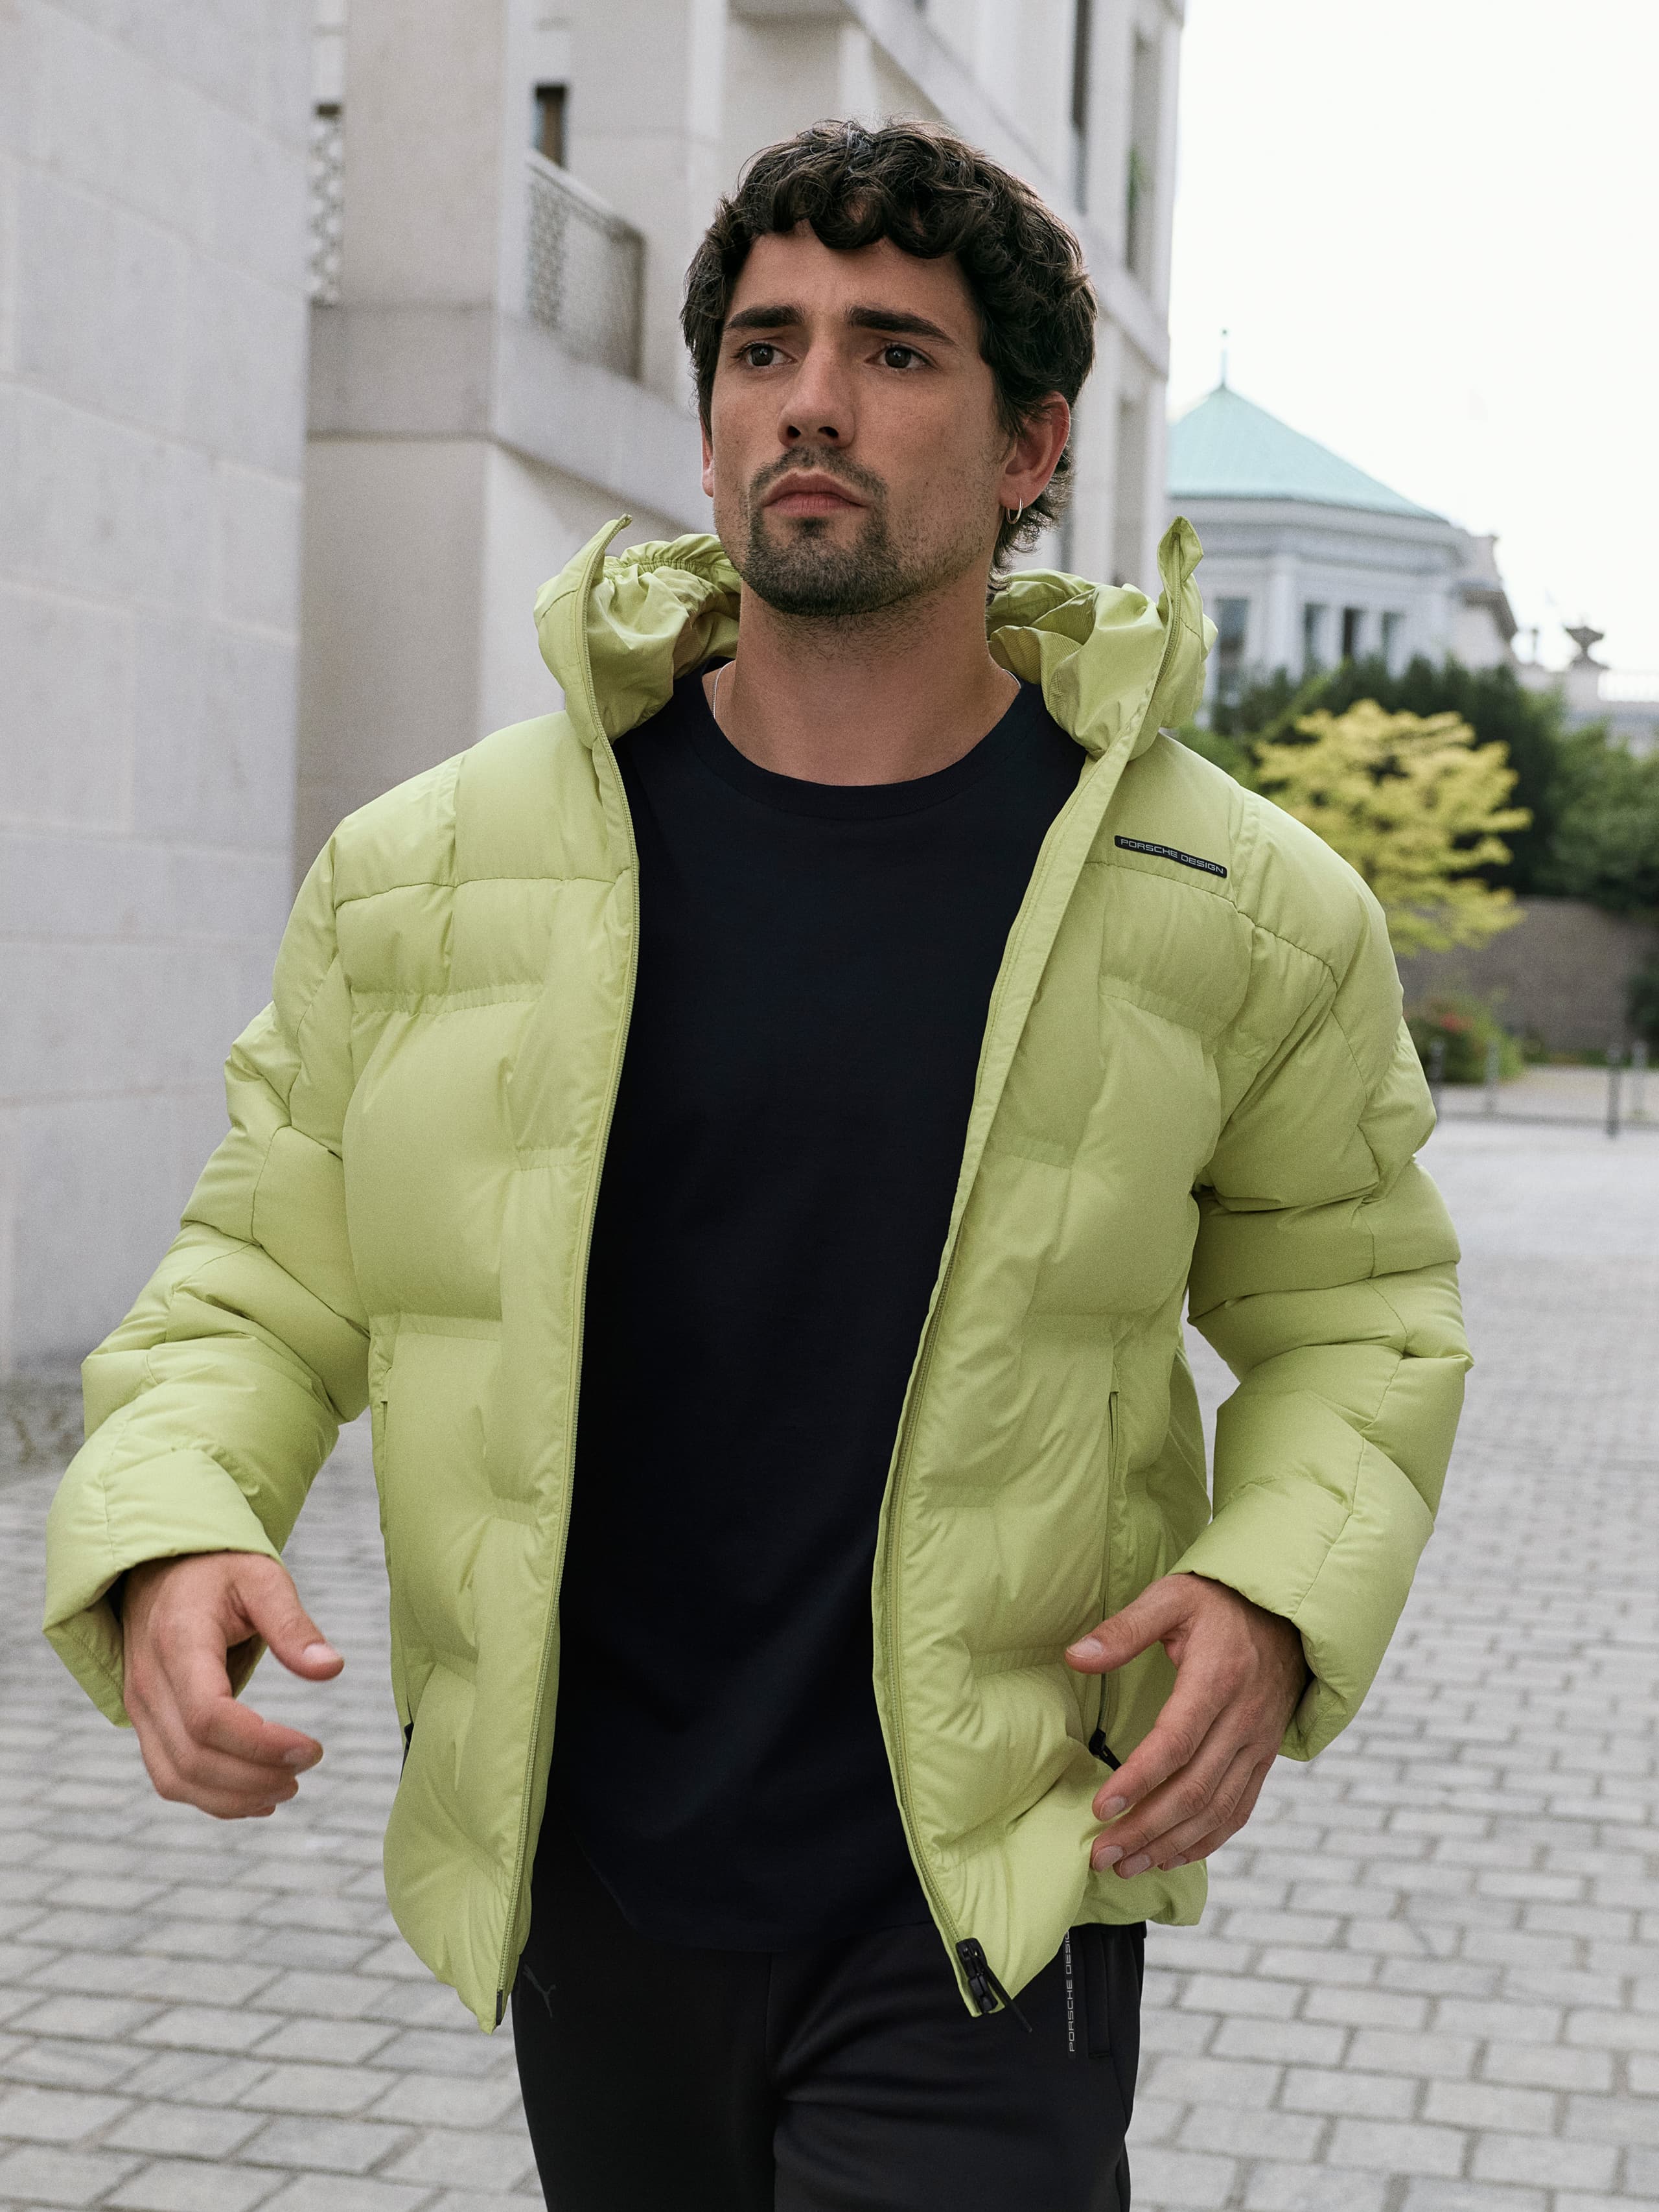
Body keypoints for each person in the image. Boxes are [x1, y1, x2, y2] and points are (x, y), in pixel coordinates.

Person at [43, 121, 1468, 2211]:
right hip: (591, 1860)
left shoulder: (1236, 905)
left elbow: (1359, 1310)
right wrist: (171, 1526)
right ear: (709, 431)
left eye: (897, 352)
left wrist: (1271, 1593)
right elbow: (259, 1278)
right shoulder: (434, 874)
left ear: (1029, 444)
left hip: (986, 1886)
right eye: (766, 347)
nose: (811, 398)